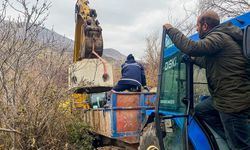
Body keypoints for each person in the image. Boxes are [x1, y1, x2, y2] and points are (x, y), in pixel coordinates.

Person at [164, 10, 250, 149]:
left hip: (232, 103)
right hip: (224, 97)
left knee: (240, 146)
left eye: (197, 26)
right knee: (201, 110)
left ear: (204, 26)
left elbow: (191, 47)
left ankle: (236, 142)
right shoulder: (223, 41)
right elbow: (209, 63)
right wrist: (192, 58)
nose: (196, 29)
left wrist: (170, 29)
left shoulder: (219, 37)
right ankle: (229, 137)